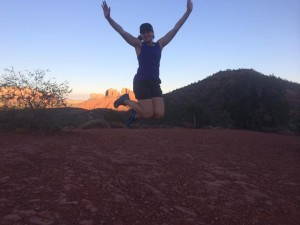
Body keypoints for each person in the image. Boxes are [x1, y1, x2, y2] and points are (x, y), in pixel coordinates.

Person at [101, 0, 193, 127]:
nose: (145, 34)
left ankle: (134, 115)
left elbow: (176, 28)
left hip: (154, 82)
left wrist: (188, 11)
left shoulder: (160, 44)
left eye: (148, 31)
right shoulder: (138, 45)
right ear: (141, 34)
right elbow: (122, 31)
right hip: (141, 82)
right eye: (143, 32)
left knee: (159, 114)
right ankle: (125, 100)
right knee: (148, 114)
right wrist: (108, 18)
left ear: (152, 33)